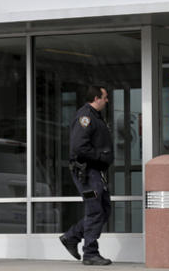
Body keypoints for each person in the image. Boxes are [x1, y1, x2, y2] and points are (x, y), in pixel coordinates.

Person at [60, 85, 114, 266]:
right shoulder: (85, 117)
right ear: (96, 98)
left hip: (96, 173)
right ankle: (90, 253)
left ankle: (72, 236)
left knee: (104, 210)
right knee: (95, 210)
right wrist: (100, 156)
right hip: (87, 173)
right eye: (105, 97)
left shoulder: (96, 116)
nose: (107, 100)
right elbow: (78, 147)